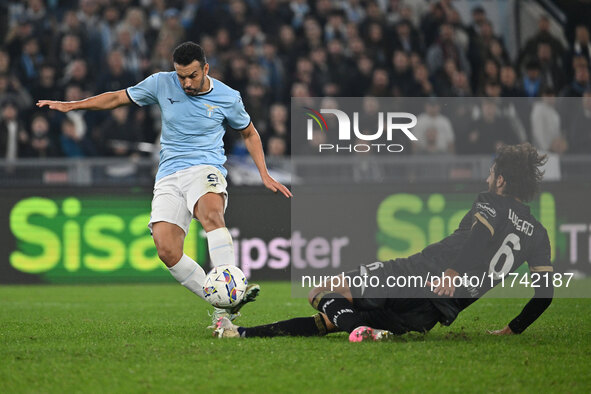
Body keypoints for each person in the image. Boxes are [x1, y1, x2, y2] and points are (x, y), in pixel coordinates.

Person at [37, 41, 292, 326]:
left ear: (205, 69)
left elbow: (250, 133)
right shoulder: (161, 83)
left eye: (192, 76)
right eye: (181, 75)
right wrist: (73, 106)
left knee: (211, 214)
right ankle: (224, 300)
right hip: (169, 174)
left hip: (205, 167)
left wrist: (265, 173)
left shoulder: (228, 97)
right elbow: (117, 98)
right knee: (167, 250)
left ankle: (228, 292)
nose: (185, 82)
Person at [214, 143, 554, 341]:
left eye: (491, 173)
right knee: (333, 319)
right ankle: (243, 333)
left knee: (320, 292)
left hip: (421, 273)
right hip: (432, 314)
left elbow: (480, 238)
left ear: (502, 181)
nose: (487, 177)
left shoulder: (490, 202)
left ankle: (357, 330)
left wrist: (451, 271)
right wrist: (512, 329)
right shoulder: (538, 233)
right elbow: (545, 295)